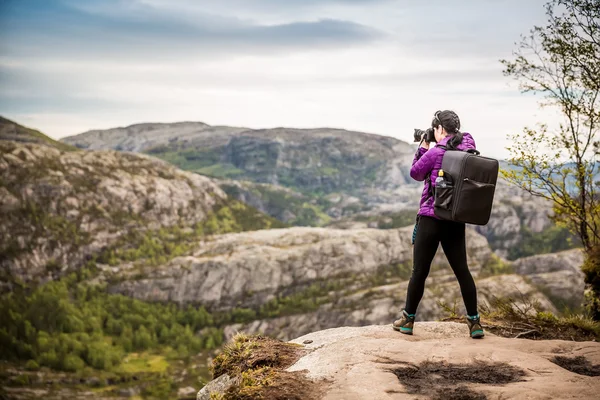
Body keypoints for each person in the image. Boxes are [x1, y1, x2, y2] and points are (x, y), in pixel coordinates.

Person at [392, 110, 484, 339]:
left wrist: (423, 146)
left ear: (440, 129)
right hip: (454, 219)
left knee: (419, 272)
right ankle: (475, 323)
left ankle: (408, 320)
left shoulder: (435, 153)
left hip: (431, 218)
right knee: (462, 271)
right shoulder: (468, 147)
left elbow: (415, 173)